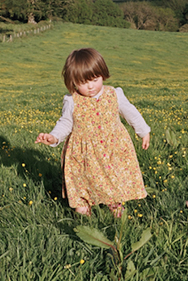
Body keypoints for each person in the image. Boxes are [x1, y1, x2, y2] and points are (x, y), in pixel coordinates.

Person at [35, 47, 150, 217]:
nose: (90, 86)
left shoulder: (114, 94)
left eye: (95, 79)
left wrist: (143, 131)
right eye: (82, 82)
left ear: (102, 74)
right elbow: (65, 123)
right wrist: (54, 137)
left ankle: (114, 203)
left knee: (113, 176)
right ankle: (83, 206)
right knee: (83, 179)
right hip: (83, 153)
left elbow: (130, 112)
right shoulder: (72, 100)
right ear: (72, 82)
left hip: (112, 149)